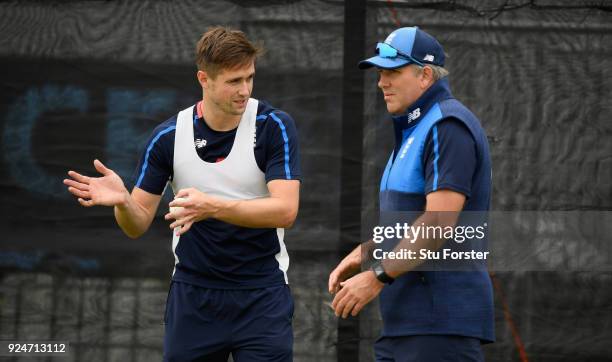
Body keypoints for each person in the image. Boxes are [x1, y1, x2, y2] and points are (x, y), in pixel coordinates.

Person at [63, 26, 301, 361]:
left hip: (262, 296)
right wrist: (123, 203)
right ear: (204, 79)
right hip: (193, 300)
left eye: (249, 78)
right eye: (234, 81)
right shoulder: (167, 137)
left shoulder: (274, 126)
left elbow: (285, 211)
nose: (244, 90)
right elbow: (136, 225)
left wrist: (211, 207)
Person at [328, 27, 494, 361]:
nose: (382, 82)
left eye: (393, 71)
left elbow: (438, 222)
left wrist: (376, 276)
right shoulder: (418, 127)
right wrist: (371, 248)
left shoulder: (447, 126)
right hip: (408, 324)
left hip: (439, 325)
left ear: (426, 75)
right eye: (380, 72)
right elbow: (418, 217)